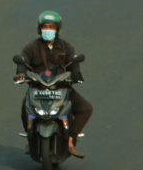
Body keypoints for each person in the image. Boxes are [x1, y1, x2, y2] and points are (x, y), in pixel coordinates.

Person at [15, 12, 93, 158]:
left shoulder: (66, 47)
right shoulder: (32, 46)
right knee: (25, 108)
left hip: (62, 88)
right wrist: (21, 73)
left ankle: (70, 140)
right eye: (45, 26)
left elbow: (73, 63)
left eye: (51, 26)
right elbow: (22, 62)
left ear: (57, 29)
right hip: (37, 88)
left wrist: (76, 74)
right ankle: (30, 139)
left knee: (85, 108)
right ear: (39, 28)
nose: (48, 29)